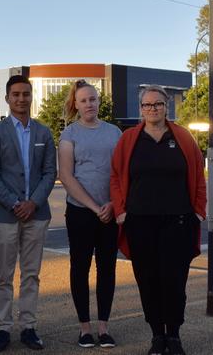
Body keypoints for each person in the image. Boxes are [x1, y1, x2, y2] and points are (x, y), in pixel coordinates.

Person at [110, 85, 206, 355]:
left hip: (178, 222)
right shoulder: (129, 139)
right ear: (140, 109)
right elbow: (115, 176)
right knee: (148, 280)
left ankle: (174, 336)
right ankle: (157, 336)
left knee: (175, 282)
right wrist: (120, 211)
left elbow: (198, 176)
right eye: (147, 105)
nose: (152, 109)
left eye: (158, 104)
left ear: (167, 107)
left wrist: (199, 211)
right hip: (140, 223)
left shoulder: (183, 138)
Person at [0, 75, 56, 352]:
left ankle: (28, 326)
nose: (21, 99)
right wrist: (15, 203)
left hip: (36, 215)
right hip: (4, 215)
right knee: (3, 275)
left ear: (31, 96)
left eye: (26, 94)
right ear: (8, 98)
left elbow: (50, 173)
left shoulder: (43, 132)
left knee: (31, 274)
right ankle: (2, 328)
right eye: (16, 94)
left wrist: (33, 203)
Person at [58, 80, 122, 349]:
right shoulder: (69, 134)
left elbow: (121, 173)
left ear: (99, 101)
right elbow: (66, 175)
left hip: (110, 211)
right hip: (81, 212)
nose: (89, 104)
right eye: (83, 100)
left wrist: (111, 204)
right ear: (75, 104)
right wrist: (95, 207)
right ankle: (85, 328)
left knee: (107, 269)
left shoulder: (114, 132)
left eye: (93, 99)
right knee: (80, 268)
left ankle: (103, 327)